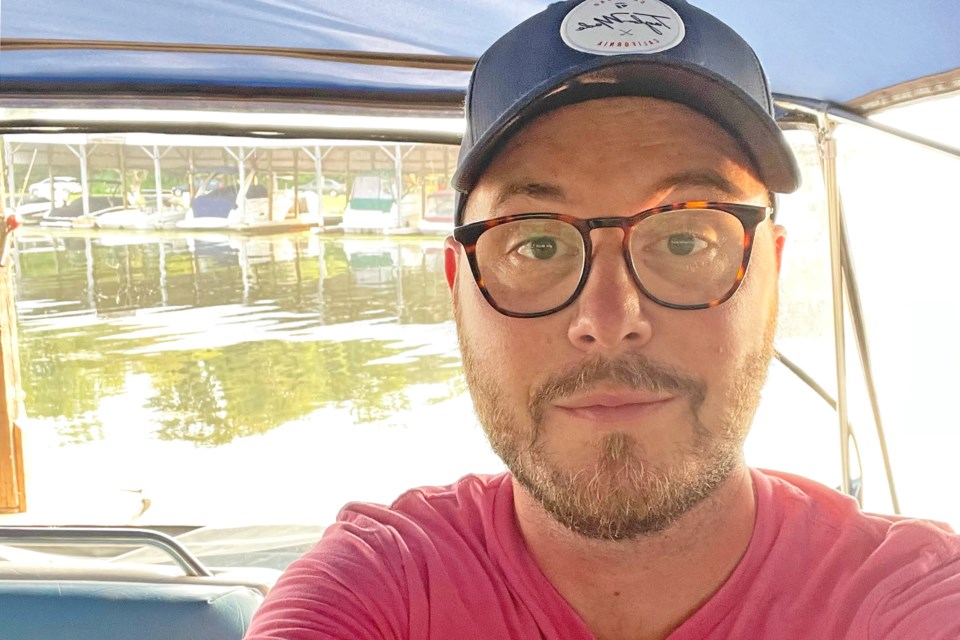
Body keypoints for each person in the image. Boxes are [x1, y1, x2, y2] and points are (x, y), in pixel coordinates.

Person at [245, 1, 960, 638]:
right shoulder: (382, 589)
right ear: (456, 287)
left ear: (771, 275)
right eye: (536, 243)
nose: (609, 319)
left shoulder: (902, 594)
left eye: (685, 239)